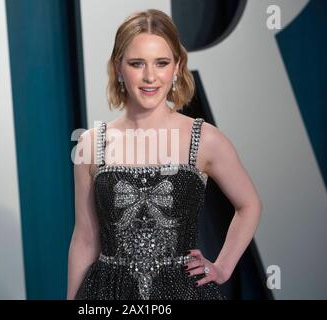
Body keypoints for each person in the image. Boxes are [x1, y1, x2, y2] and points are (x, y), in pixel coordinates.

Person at [67, 9, 262, 300]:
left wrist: (222, 267)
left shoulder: (205, 139)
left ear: (177, 66)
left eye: (161, 63)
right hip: (108, 296)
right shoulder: (91, 144)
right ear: (118, 67)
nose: (150, 77)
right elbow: (85, 238)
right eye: (136, 63)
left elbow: (249, 205)